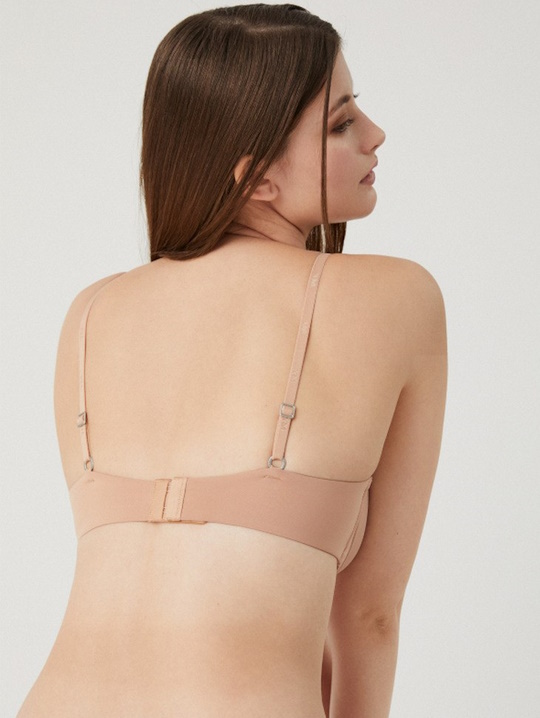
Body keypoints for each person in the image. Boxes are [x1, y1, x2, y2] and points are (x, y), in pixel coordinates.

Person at [16, 4, 447, 717]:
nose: (374, 135)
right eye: (340, 124)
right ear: (257, 177)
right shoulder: (394, 297)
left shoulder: (91, 312)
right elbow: (369, 614)